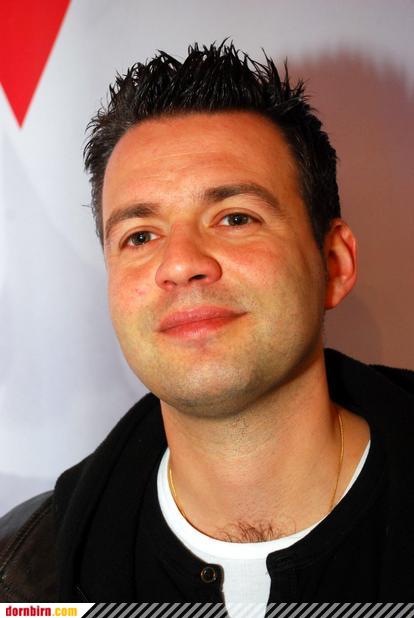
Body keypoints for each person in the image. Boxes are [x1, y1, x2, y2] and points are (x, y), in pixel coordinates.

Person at [0, 42, 413, 605]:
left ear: (334, 264)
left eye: (235, 218)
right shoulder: (23, 572)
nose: (180, 263)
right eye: (140, 236)